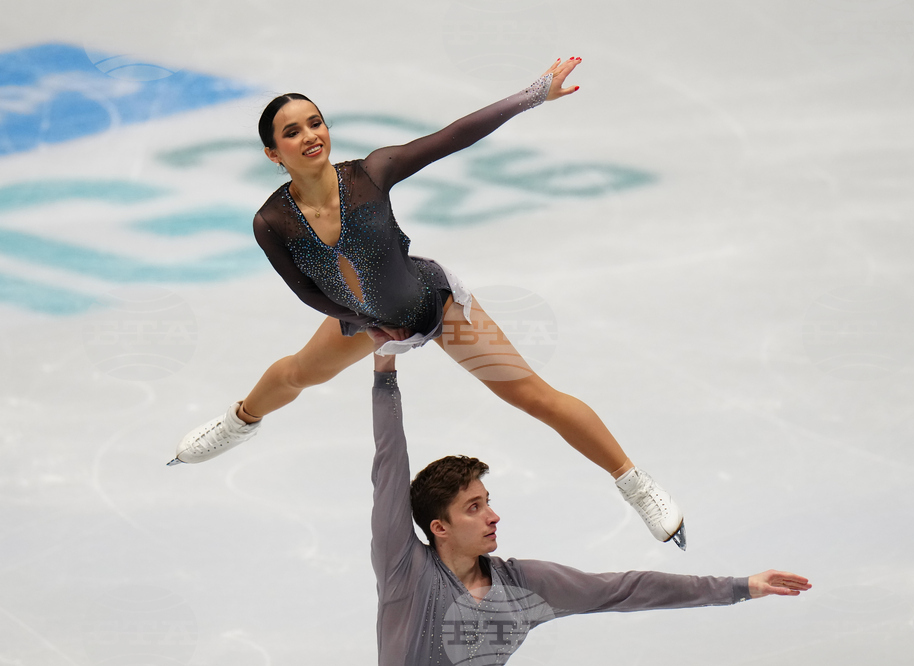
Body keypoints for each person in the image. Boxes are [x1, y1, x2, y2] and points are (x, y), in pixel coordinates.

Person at [169, 58, 685, 547]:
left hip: (431, 306)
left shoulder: (371, 173)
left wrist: (533, 95)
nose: (310, 136)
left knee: (533, 396)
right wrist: (364, 322)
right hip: (364, 318)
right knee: (298, 372)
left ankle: (636, 484)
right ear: (273, 154)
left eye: (315, 123)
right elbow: (305, 290)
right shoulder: (271, 221)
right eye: (292, 131)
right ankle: (238, 422)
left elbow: (452, 136)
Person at [368, 340, 811, 666]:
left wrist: (741, 586)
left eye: (487, 502)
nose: (493, 516)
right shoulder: (404, 570)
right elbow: (390, 460)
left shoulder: (522, 588)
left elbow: (626, 589)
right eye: (473, 508)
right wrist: (384, 369)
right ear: (439, 527)